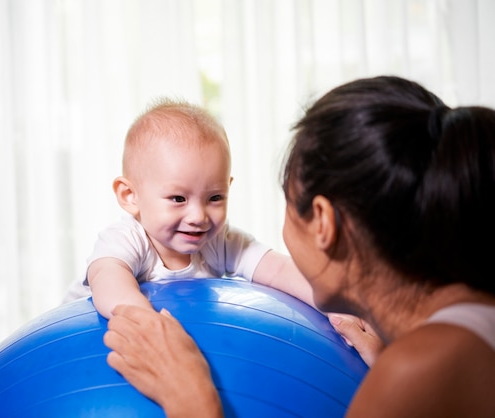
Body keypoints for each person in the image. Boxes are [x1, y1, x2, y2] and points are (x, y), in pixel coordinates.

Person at [103, 76, 495, 417]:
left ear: (322, 222)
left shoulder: (418, 369)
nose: (200, 216)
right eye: (178, 199)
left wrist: (191, 398)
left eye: (287, 203)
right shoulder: (464, 328)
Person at [63, 97, 315, 319]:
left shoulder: (219, 241)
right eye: (178, 199)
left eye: (215, 197)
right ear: (130, 196)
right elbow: (109, 281)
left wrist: (330, 303)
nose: (198, 217)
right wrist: (145, 321)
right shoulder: (125, 239)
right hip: (78, 344)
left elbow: (278, 269)